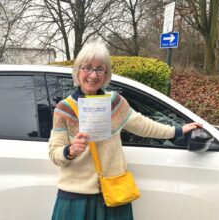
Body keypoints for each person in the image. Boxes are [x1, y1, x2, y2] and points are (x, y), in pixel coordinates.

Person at [48, 41, 202, 220]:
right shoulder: (64, 109)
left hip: (114, 194)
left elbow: (143, 125)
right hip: (76, 197)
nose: (93, 74)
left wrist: (178, 130)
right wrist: (70, 150)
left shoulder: (114, 103)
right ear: (78, 70)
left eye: (100, 69)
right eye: (87, 67)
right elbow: (54, 152)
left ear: (106, 74)